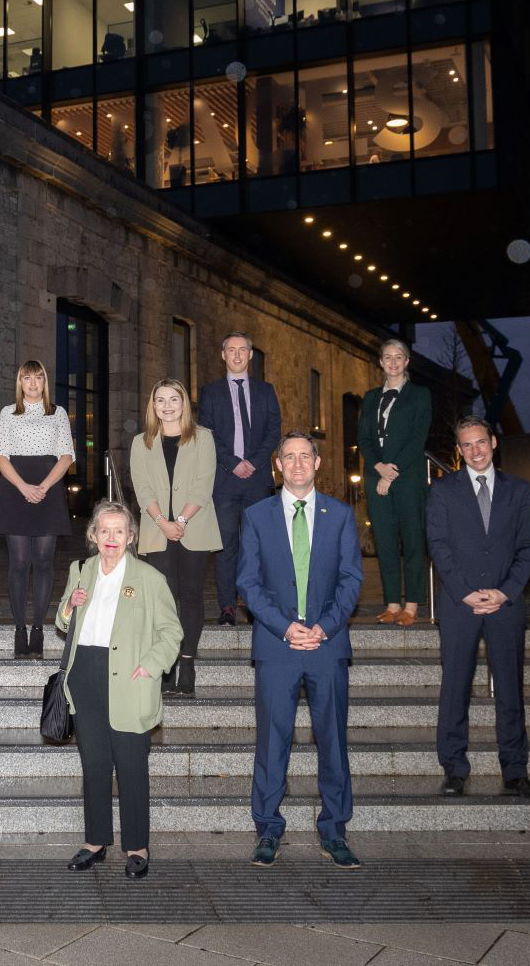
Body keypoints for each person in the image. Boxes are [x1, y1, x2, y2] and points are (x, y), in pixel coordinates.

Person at [237, 432, 363, 869]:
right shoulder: (256, 516)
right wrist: (286, 626)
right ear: (277, 465)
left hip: (327, 647)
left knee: (333, 741)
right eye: (288, 457)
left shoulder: (341, 515)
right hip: (277, 646)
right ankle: (268, 829)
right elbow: (248, 584)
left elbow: (351, 581)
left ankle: (335, 829)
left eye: (304, 456)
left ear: (318, 462)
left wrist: (323, 628)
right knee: (272, 744)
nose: (296, 464)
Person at [54, 500, 182, 880]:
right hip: (85, 677)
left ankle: (137, 846)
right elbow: (63, 624)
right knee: (93, 765)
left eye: (120, 531)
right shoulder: (80, 571)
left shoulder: (148, 578)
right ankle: (95, 842)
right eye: (104, 531)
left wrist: (151, 665)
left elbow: (171, 632)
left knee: (130, 767)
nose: (112, 537)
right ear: (93, 535)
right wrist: (68, 608)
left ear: (131, 537)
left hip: (129, 678)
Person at [427, 416, 530, 799]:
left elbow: (528, 546)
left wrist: (504, 592)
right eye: (466, 445)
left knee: (510, 687)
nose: (475, 450)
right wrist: (464, 592)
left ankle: (515, 770)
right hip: (459, 605)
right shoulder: (443, 491)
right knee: (455, 687)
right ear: (458, 451)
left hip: (506, 604)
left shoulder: (520, 490)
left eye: (480, 442)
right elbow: (438, 545)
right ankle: (454, 769)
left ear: (493, 442)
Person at [127, 378, 222, 695]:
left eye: (173, 399)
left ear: (184, 404)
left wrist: (179, 520)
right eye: (160, 400)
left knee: (192, 595)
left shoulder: (203, 438)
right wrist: (162, 522)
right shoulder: (142, 442)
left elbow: (203, 485)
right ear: (152, 406)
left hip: (194, 526)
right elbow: (142, 488)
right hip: (156, 529)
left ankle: (188, 662)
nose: (167, 406)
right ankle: (166, 663)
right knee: (163, 599)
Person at [0, 359, 75, 658]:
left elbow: (66, 455)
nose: (33, 383)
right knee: (19, 561)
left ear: (44, 381)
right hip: (15, 489)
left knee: (43, 561)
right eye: (27, 378)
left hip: (48, 489)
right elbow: (0, 456)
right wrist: (24, 487)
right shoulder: (8, 413)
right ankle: (19, 629)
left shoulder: (58, 413)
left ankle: (38, 629)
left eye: (38, 377)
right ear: (20, 382)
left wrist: (44, 486)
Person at [197, 331, 281, 626]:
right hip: (224, 481)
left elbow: (273, 431)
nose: (236, 355)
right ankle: (228, 606)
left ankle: (256, 605)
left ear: (250, 355)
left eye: (242, 350)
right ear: (223, 355)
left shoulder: (265, 391)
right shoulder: (209, 392)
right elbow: (206, 433)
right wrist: (233, 463)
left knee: (256, 544)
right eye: (230, 350)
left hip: (258, 480)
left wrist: (254, 463)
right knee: (226, 544)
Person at [358, 338, 433, 625]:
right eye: (387, 357)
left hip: (408, 476)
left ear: (406, 361)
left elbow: (417, 438)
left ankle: (412, 605)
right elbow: (364, 438)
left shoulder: (420, 394)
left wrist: (392, 470)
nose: (392, 362)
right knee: (385, 542)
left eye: (398, 357)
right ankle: (391, 603)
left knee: (413, 540)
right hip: (375, 475)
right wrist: (378, 467)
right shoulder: (370, 397)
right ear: (380, 362)